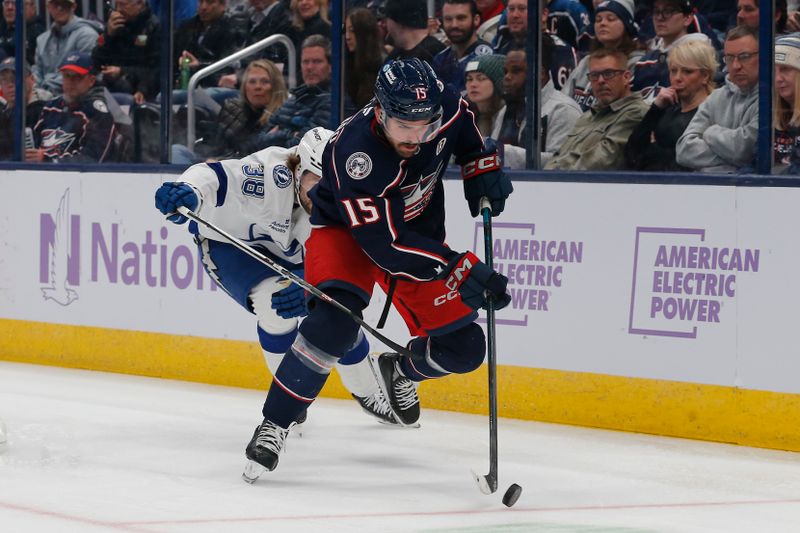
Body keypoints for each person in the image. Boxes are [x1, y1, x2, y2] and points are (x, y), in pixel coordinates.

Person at [240, 57, 513, 479]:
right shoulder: (356, 153)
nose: (417, 137)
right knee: (335, 325)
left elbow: (466, 134)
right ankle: (275, 423)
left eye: (425, 125)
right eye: (404, 126)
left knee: (466, 349)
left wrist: (481, 167)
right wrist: (457, 268)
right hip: (347, 233)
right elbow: (386, 247)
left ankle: (399, 370)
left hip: (414, 232)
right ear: (381, 111)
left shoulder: (442, 108)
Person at [155, 127, 402, 429]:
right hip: (232, 248)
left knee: (337, 312)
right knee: (274, 308)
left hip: (299, 258)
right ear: (299, 167)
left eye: (334, 187)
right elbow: (212, 175)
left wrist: (313, 285)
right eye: (317, 182)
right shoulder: (265, 174)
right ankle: (289, 393)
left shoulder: (348, 201)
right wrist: (188, 192)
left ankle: (369, 391)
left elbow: (356, 256)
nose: (322, 195)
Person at [545, 48, 649, 170]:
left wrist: (555, 177)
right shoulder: (587, 117)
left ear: (626, 77)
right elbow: (559, 155)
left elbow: (602, 160)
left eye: (608, 74)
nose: (600, 81)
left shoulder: (635, 112)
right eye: (594, 75)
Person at [625, 38, 718, 171]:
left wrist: (653, 149)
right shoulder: (667, 107)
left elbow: (690, 164)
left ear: (705, 76)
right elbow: (632, 154)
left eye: (687, 71)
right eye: (673, 71)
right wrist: (655, 109)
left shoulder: (715, 112)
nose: (677, 78)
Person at [676, 25, 759, 172]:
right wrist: (732, 159)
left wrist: (710, 132)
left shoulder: (770, 99)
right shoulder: (716, 97)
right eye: (729, 58)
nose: (736, 65)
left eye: (744, 57)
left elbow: (744, 150)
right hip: (707, 187)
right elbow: (684, 150)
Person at [494, 37, 582, 168]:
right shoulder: (505, 110)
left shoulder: (563, 110)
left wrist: (505, 153)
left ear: (539, 72)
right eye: (505, 71)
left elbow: (562, 164)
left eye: (516, 71)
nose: (507, 77)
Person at [241, 34, 332, 151]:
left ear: (330, 66)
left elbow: (302, 147)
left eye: (317, 61)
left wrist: (275, 135)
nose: (309, 67)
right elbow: (258, 141)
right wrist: (288, 134)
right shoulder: (294, 98)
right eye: (305, 62)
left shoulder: (332, 101)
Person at [26, 51, 118, 163]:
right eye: (66, 76)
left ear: (91, 80)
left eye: (77, 77)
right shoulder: (50, 107)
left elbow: (92, 160)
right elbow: (33, 146)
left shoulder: (99, 112)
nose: (71, 82)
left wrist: (47, 161)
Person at [193, 59, 288, 159]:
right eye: (252, 81)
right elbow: (209, 143)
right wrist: (206, 160)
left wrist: (218, 162)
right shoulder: (232, 107)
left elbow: (251, 156)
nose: (258, 87)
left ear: (276, 86)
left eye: (265, 82)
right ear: (244, 87)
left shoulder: (281, 118)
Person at [561, 0, 644, 112]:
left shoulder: (638, 63)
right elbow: (563, 101)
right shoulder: (586, 62)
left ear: (626, 24)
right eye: (598, 19)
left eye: (610, 19)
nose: (602, 23)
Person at [632, 0, 712, 102]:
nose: (660, 18)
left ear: (687, 18)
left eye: (668, 11)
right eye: (656, 11)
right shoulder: (644, 61)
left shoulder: (700, 58)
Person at [92, 0, 161, 105]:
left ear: (139, 4)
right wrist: (108, 36)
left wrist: (122, 71)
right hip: (110, 83)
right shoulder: (114, 24)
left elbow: (155, 69)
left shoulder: (154, 27)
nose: (118, 10)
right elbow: (96, 61)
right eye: (117, 4)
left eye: (123, 5)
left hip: (140, 86)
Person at [174, 0, 247, 90]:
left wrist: (199, 65)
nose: (203, 7)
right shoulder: (187, 27)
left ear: (223, 5)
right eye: (200, 2)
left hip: (216, 85)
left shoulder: (234, 29)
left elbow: (229, 67)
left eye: (210, 2)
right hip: (188, 83)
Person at [32, 0, 99, 95]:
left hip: (78, 98)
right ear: (48, 7)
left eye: (65, 4)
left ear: (73, 6)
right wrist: (36, 90)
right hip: (44, 96)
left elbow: (80, 75)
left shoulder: (87, 35)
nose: (60, 8)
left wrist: (45, 88)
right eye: (55, 4)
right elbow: (37, 72)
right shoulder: (42, 39)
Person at [431, 0, 493, 94]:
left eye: (461, 18)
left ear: (476, 19)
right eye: (448, 19)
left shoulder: (487, 58)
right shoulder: (440, 60)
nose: (454, 25)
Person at [0, 56, 53, 160]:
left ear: (32, 79)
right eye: (4, 80)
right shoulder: (3, 115)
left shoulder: (46, 112)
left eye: (15, 78)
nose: (10, 85)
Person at [343, 7, 383, 115]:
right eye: (345, 31)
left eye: (352, 31)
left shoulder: (380, 67)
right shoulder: (344, 65)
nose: (347, 37)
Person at [773, 33, 800, 173]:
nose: (777, 78)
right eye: (774, 70)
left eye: (785, 69)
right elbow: (755, 162)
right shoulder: (769, 117)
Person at [464, 53, 505, 137]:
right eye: (469, 79)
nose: (473, 84)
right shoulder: (465, 113)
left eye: (481, 79)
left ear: (499, 82)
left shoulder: (508, 115)